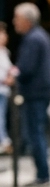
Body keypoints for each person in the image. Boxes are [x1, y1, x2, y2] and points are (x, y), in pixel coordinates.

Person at [10, 2, 50, 186]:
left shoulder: (33, 39)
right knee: (37, 132)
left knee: (35, 133)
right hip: (41, 92)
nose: (14, 22)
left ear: (27, 20)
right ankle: (42, 173)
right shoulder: (40, 36)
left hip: (34, 93)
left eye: (17, 18)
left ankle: (42, 175)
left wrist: (13, 76)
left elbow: (26, 68)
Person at [0, 22, 11, 153]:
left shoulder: (5, 52)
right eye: (2, 33)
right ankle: (4, 140)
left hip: (4, 91)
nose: (5, 36)